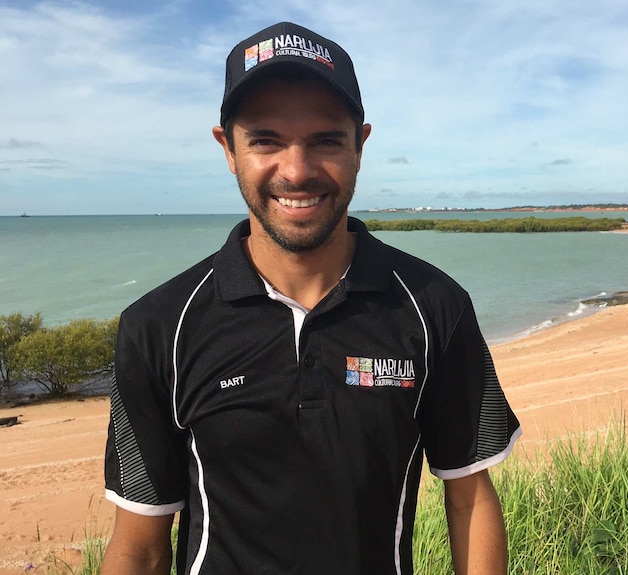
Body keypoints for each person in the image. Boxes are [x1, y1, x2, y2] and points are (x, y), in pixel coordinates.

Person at [101, 21, 521, 575]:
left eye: (326, 139)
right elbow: (139, 543)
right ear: (228, 149)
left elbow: (469, 499)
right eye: (265, 140)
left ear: (360, 146)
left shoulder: (434, 307)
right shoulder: (159, 325)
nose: (296, 172)